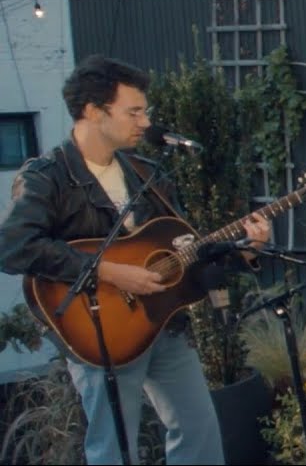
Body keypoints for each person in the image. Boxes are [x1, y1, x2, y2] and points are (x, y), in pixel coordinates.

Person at [0, 55, 271, 465]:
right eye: (134, 111)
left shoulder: (146, 173)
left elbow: (185, 254)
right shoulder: (48, 177)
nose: (145, 122)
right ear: (94, 111)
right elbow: (13, 246)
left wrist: (245, 251)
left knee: (199, 431)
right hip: (101, 332)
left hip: (163, 323)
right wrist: (108, 272)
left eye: (145, 111)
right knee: (113, 449)